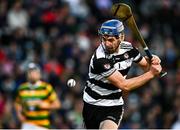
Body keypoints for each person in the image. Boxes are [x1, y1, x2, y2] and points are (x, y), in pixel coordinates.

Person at [82, 19, 162, 129]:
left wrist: (153, 61)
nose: (106, 44)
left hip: (113, 106)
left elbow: (146, 67)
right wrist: (152, 73)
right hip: (92, 105)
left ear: (121, 37)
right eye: (104, 39)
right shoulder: (100, 59)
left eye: (110, 40)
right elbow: (124, 85)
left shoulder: (129, 49)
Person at [14, 63, 61, 129]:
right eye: (30, 72)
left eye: (34, 72)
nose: (32, 74)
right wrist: (19, 114)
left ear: (39, 73)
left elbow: (57, 104)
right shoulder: (22, 88)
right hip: (27, 124)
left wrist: (46, 105)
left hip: (42, 125)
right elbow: (17, 103)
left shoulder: (46, 87)